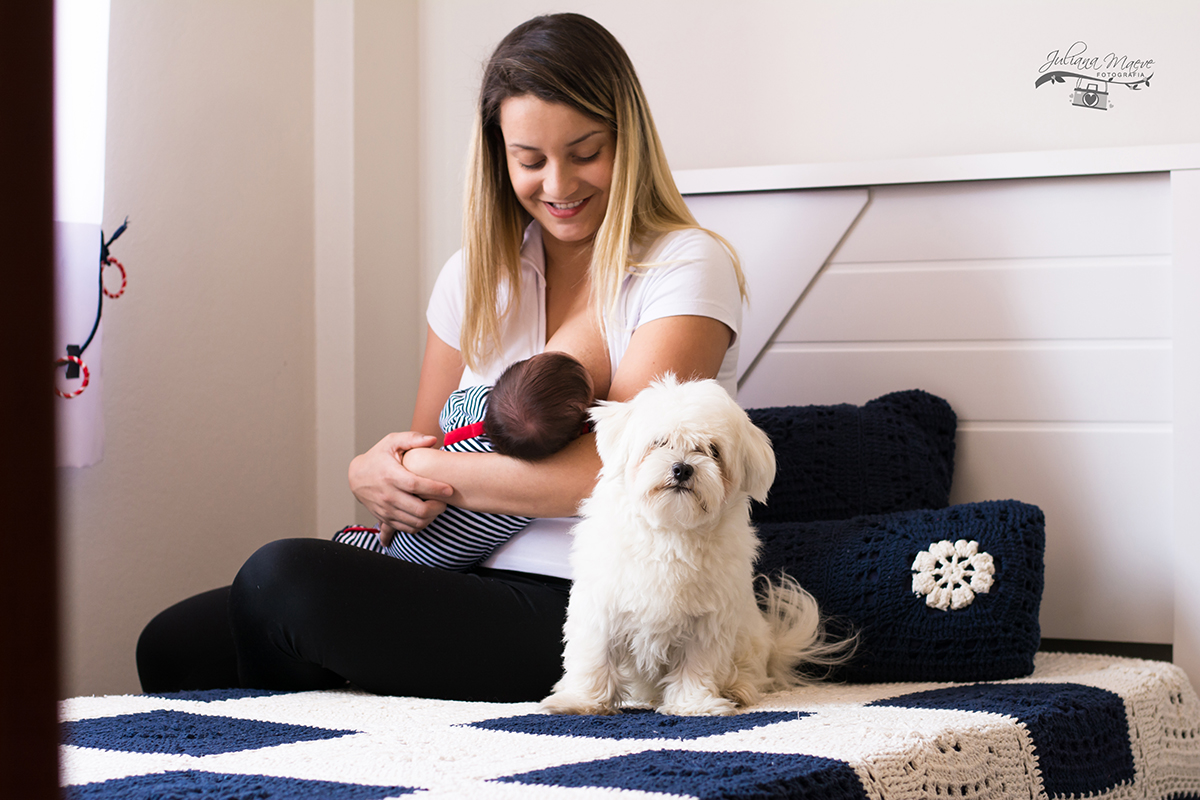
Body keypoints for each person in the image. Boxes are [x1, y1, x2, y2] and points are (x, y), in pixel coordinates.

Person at [136, 12, 747, 702]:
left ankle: (312, 734)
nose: (558, 184)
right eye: (530, 160)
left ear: (627, 142)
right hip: (451, 570)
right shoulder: (474, 277)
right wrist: (376, 472)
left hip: (586, 602)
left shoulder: (683, 265)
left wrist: (433, 474)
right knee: (174, 644)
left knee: (278, 582)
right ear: (499, 158)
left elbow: (606, 471)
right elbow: (424, 447)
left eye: (585, 153)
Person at [332, 351, 594, 571]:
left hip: (403, 538)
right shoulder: (533, 487)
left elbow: (447, 412)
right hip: (448, 565)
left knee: (356, 547)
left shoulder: (476, 410)